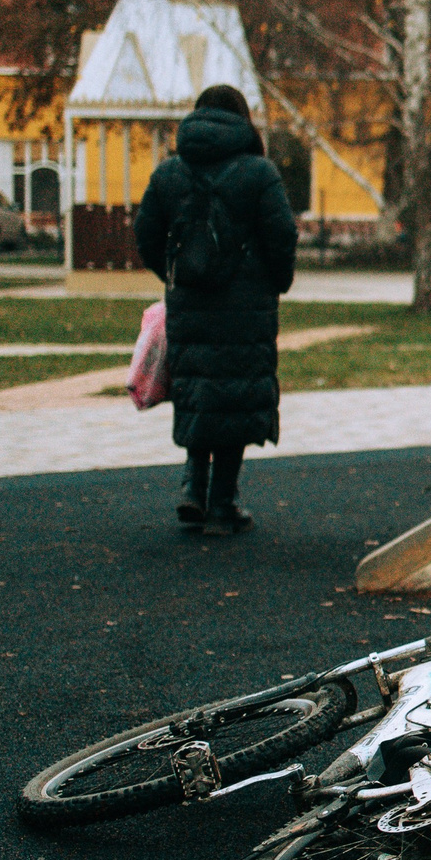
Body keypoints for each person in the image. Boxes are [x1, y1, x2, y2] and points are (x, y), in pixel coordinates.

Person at [132, 84, 300, 537]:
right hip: (247, 304)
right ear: (243, 119)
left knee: (198, 387)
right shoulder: (258, 173)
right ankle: (224, 502)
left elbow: (145, 232)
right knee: (237, 393)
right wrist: (276, 280)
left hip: (190, 299)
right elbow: (282, 233)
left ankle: (192, 485)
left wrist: (174, 274)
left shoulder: (170, 173)